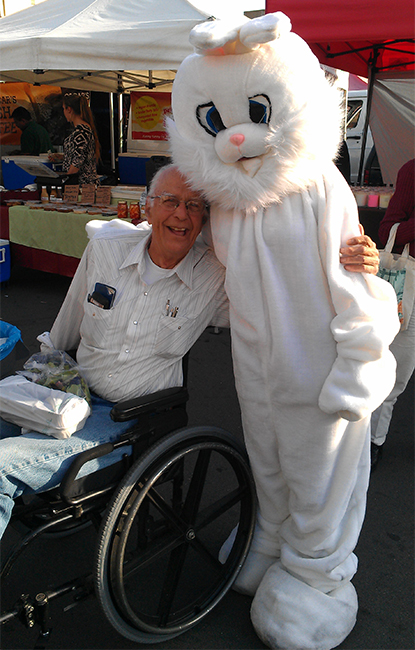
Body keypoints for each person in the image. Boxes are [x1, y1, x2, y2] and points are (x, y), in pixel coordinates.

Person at [168, 13, 399, 650]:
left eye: (256, 111)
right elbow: (218, 277)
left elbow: (355, 279)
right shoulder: (229, 208)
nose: (236, 136)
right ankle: (270, 543)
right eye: (214, 123)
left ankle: (318, 580)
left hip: (320, 371)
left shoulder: (322, 186)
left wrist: (359, 362)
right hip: (257, 373)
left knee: (322, 481)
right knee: (269, 468)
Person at [0, 163, 379, 543]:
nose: (181, 214)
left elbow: (288, 297)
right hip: (67, 392)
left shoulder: (217, 276)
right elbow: (68, 323)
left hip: (125, 419)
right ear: (146, 208)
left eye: (195, 205)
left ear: (205, 221)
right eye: (169, 201)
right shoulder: (104, 250)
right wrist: (45, 371)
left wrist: (352, 268)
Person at [370, 158, 415, 469]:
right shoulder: (412, 171)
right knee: (393, 374)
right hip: (410, 288)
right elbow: (388, 231)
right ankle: (373, 441)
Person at [60, 93, 100, 185]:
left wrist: (65, 180)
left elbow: (77, 162)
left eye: (64, 109)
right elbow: (80, 154)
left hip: (82, 185)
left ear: (69, 109)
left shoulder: (81, 131)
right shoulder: (83, 130)